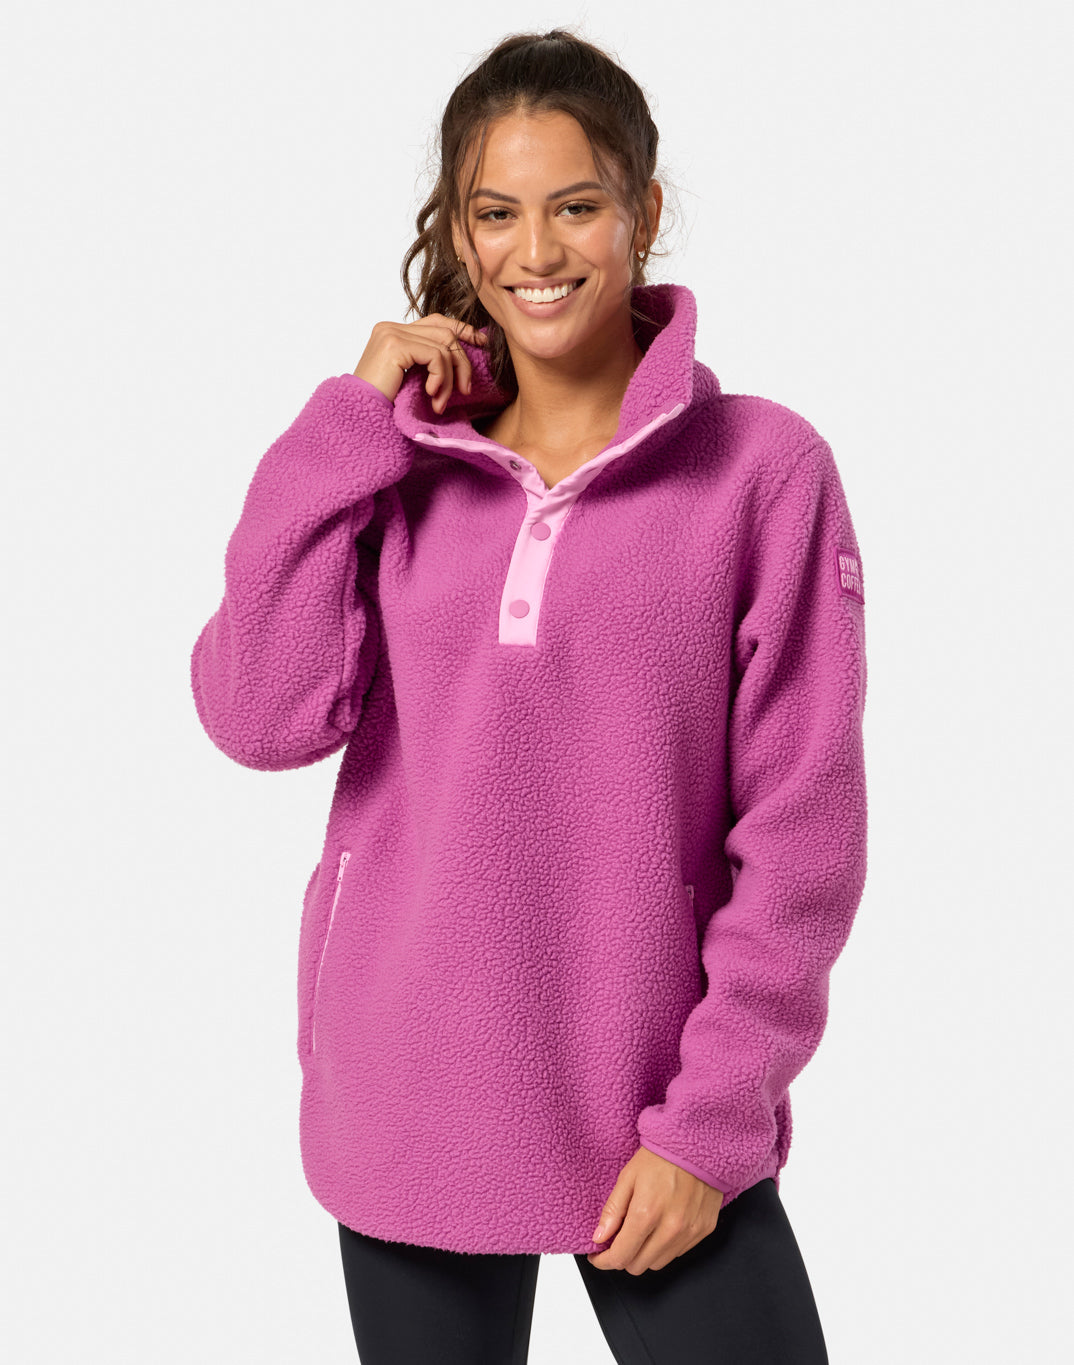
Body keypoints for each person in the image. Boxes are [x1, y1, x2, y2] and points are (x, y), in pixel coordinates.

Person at [189, 26, 867, 1365]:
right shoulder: (400, 465)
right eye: (495, 213)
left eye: (576, 206)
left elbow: (802, 831)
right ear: (456, 230)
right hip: (412, 1087)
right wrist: (348, 421)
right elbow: (259, 715)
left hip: (656, 1095)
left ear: (643, 214)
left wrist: (712, 1120)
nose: (535, 251)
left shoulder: (762, 469)